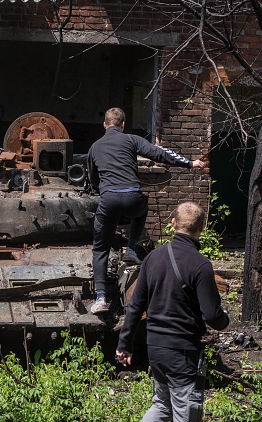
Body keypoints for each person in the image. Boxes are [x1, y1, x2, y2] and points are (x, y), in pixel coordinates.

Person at [116, 201, 229, 422]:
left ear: (173, 223)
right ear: (202, 228)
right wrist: (226, 322)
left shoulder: (153, 258)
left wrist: (124, 344)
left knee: (162, 405)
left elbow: (135, 305)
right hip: (182, 352)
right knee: (186, 410)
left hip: (155, 347)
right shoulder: (200, 265)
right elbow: (213, 316)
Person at [88, 107, 204, 314]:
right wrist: (189, 163)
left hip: (109, 200)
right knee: (142, 207)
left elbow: (93, 179)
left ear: (104, 125)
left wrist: (105, 191)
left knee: (100, 248)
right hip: (133, 197)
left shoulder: (95, 147)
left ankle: (100, 298)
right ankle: (131, 249)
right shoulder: (132, 140)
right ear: (123, 125)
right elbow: (159, 153)